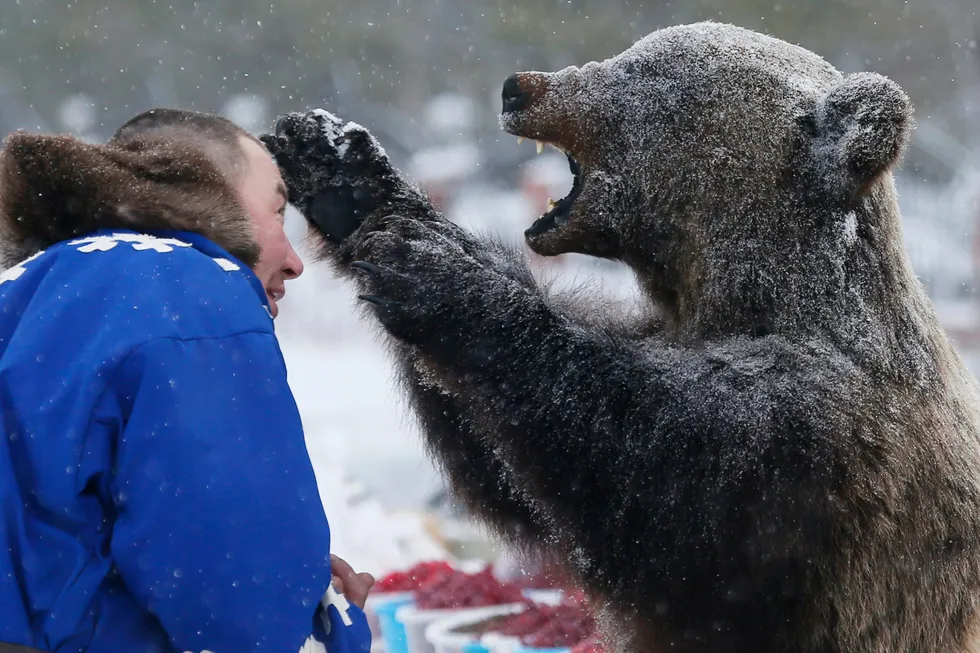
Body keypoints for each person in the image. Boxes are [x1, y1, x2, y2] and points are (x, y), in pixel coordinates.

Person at [0, 109, 373, 653]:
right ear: (209, 192)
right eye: (276, 212)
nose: (294, 262)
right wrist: (332, 627)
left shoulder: (28, 291)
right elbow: (240, 602)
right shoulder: (190, 295)